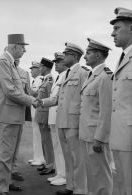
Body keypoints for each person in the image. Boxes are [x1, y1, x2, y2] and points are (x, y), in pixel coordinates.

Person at [0, 34, 36, 195]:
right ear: (14, 46)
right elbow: (11, 91)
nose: (24, 51)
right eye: (23, 47)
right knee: (4, 154)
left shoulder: (10, 63)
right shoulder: (3, 62)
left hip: (13, 115)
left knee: (11, 154)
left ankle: (6, 183)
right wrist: (32, 101)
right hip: (5, 115)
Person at [38, 43, 88, 195]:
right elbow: (57, 98)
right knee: (67, 157)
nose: (63, 57)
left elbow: (86, 99)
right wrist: (41, 101)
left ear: (74, 56)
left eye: (66, 55)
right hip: (62, 122)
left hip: (74, 123)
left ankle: (80, 190)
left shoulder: (83, 73)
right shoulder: (65, 75)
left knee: (78, 160)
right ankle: (70, 187)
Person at [79, 38, 113, 195]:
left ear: (98, 55)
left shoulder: (105, 77)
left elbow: (107, 110)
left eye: (88, 53)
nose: (85, 56)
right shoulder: (92, 75)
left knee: (101, 175)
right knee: (92, 174)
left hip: (96, 136)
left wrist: (100, 137)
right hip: (87, 133)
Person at [109, 7, 132, 195]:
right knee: (124, 184)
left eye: (117, 28)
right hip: (120, 134)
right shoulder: (123, 57)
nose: (112, 33)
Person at [46, 52, 66, 186]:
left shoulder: (66, 76)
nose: (56, 64)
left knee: (62, 149)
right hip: (53, 116)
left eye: (58, 61)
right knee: (56, 147)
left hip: (59, 116)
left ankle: (64, 175)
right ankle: (59, 173)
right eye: (56, 62)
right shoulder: (59, 77)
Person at [36, 57, 55, 176]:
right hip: (41, 115)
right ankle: (46, 161)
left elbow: (51, 100)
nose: (39, 69)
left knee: (47, 141)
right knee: (44, 141)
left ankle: (50, 165)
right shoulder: (45, 80)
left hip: (45, 115)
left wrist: (48, 119)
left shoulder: (50, 81)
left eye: (41, 67)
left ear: (46, 68)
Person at [28, 61, 45, 166]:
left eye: (33, 68)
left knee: (39, 136)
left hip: (38, 111)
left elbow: (36, 94)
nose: (31, 71)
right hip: (34, 111)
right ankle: (36, 157)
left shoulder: (40, 80)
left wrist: (27, 88)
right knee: (35, 135)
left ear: (39, 69)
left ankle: (41, 158)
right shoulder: (35, 81)